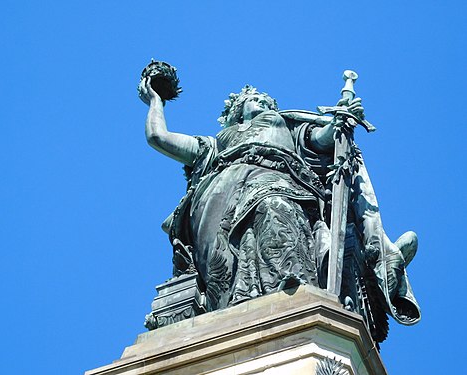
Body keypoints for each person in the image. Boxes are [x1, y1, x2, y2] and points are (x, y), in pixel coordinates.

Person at [138, 78, 420, 337]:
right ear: (237, 111)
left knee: (274, 207)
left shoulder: (286, 127)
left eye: (267, 102)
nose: (263, 104)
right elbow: (158, 138)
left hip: (280, 185)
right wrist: (155, 101)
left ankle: (297, 289)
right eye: (254, 100)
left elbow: (320, 139)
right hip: (217, 202)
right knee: (222, 267)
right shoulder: (213, 147)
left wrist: (338, 124)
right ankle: (239, 318)